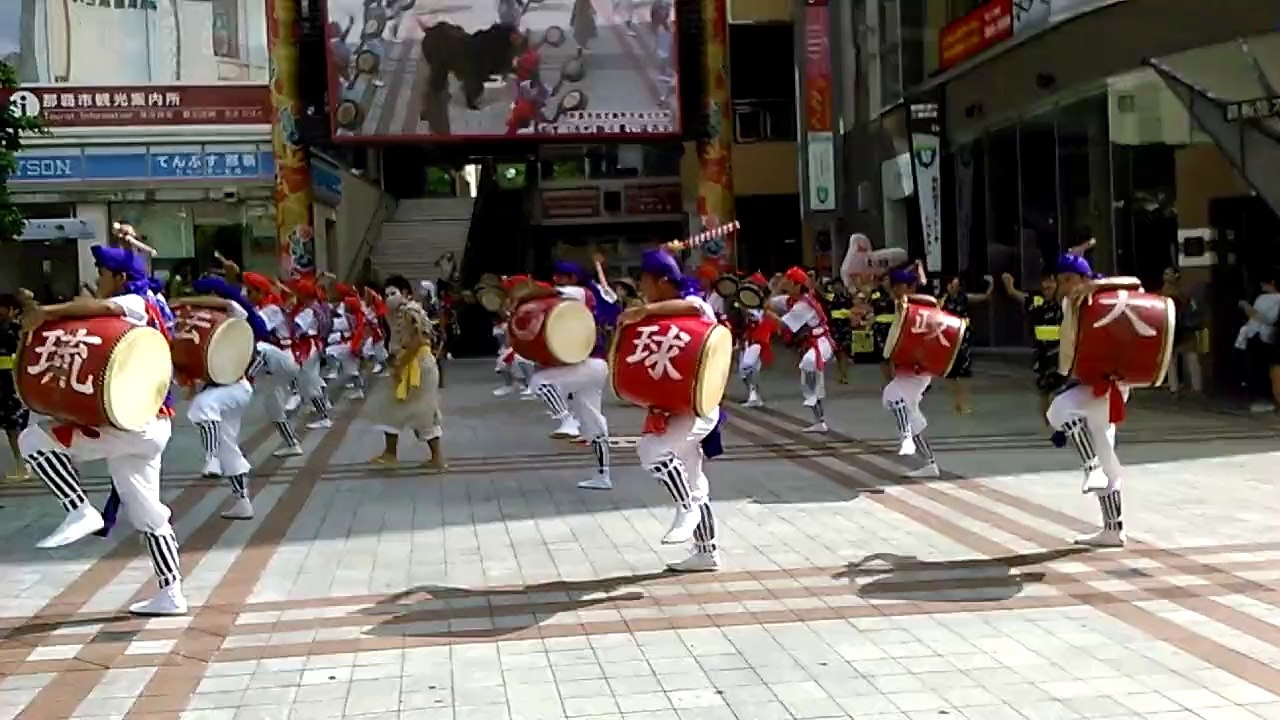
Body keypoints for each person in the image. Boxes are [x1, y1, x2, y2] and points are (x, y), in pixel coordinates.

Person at [18, 245, 186, 615]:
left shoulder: (137, 303)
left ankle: (79, 508)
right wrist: (131, 243)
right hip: (150, 424)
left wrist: (47, 312)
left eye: (103, 274)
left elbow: (106, 308)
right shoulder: (156, 299)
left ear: (121, 279)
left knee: (33, 438)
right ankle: (171, 594)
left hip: (133, 424)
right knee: (148, 514)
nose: (99, 281)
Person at [620, 248, 725, 572]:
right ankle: (707, 552)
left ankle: (685, 508)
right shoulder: (661, 315)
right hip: (674, 407)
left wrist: (645, 311)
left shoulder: (697, 307)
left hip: (698, 408)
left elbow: (693, 305)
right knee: (693, 479)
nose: (643, 290)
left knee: (652, 450)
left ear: (663, 282)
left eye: (646, 282)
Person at [1045, 253, 1130, 547]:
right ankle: (1113, 529)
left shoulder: (1105, 296)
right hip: (1094, 383)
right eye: (1061, 280)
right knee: (1105, 453)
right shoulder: (1072, 304)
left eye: (1070, 280)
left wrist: (1097, 286)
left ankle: (1091, 468)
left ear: (1084, 278)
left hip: (1110, 385)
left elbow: (1136, 283)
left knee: (1060, 411)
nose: (1065, 285)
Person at [171, 276, 270, 520]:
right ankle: (242, 501)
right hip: (219, 389)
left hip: (236, 387)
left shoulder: (233, 314)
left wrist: (184, 300)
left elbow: (226, 302)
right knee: (229, 447)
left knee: (201, 408)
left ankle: (211, 457)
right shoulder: (195, 324)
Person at [525, 261, 614, 490]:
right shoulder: (587, 294)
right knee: (594, 421)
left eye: (561, 276)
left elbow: (547, 292)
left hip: (589, 362)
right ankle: (604, 476)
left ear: (573, 278)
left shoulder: (580, 292)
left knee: (540, 382)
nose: (557, 280)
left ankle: (567, 419)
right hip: (595, 364)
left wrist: (522, 293)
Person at [368, 275, 446, 471]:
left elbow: (418, 340)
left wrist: (400, 364)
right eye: (386, 294)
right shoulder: (396, 313)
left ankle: (436, 457)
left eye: (393, 293)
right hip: (408, 364)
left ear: (405, 293)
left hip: (418, 366)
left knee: (423, 413)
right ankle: (391, 453)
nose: (389, 297)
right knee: (390, 409)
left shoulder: (410, 311)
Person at [881, 263, 942, 479]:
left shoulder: (918, 304)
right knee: (906, 406)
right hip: (909, 366)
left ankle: (909, 440)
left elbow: (934, 303)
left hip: (919, 367)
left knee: (894, 396)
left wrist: (908, 298)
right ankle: (929, 461)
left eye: (898, 286)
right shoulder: (901, 304)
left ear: (907, 286)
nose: (894, 290)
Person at [238, 272, 307, 457]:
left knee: (258, 348)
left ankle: (295, 393)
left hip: (284, 358)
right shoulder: (265, 306)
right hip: (272, 368)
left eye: (249, 291)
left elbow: (257, 326)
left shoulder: (272, 309)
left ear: (259, 292)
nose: (246, 295)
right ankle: (292, 443)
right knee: (273, 409)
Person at [765, 267, 834, 433]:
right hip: (811, 343)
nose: (785, 283)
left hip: (822, 342)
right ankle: (819, 419)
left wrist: (769, 314)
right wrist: (774, 289)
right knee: (807, 367)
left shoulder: (804, 304)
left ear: (797, 285)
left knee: (809, 364)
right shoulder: (789, 299)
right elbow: (769, 303)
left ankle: (816, 406)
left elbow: (785, 325)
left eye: (788, 281)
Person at [1002, 270, 1065, 422]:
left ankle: (1063, 421)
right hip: (1043, 353)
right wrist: (1009, 285)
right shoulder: (1036, 300)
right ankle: (1048, 423)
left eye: (1050, 281)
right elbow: (1015, 294)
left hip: (1062, 353)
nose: (1046, 285)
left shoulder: (1064, 302)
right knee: (1044, 390)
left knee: (1063, 390)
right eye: (1043, 281)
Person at [939, 274, 994, 414]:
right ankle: (955, 402)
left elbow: (984, 297)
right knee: (951, 373)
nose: (954, 288)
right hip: (948, 339)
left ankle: (963, 402)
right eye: (952, 285)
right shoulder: (943, 300)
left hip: (963, 338)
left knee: (963, 373)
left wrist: (991, 285)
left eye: (956, 285)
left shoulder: (964, 298)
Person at [1235, 272, 1280, 412]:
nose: (1262, 286)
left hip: (1266, 337)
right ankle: (1257, 396)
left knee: (1265, 369)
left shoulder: (1278, 299)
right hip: (1253, 335)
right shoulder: (1261, 297)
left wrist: (1248, 308)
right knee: (1253, 367)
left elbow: (1267, 319)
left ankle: (1268, 399)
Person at [0, 294, 31, 482]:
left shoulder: (18, 329)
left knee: (14, 425)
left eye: (4, 308)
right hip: (4, 381)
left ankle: (23, 464)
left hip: (10, 381)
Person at [1161, 267, 1204, 396]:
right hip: (1180, 328)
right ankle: (1191, 387)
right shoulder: (1181, 292)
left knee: (1179, 358)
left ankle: (1176, 387)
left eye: (1168, 274)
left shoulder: (1169, 293)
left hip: (1177, 328)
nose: (1166, 277)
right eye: (1165, 273)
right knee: (1185, 358)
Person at [737, 273, 777, 408]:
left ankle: (754, 394)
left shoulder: (764, 305)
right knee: (745, 371)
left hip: (759, 340)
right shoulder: (745, 302)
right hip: (748, 339)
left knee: (747, 366)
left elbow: (765, 319)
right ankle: (754, 395)